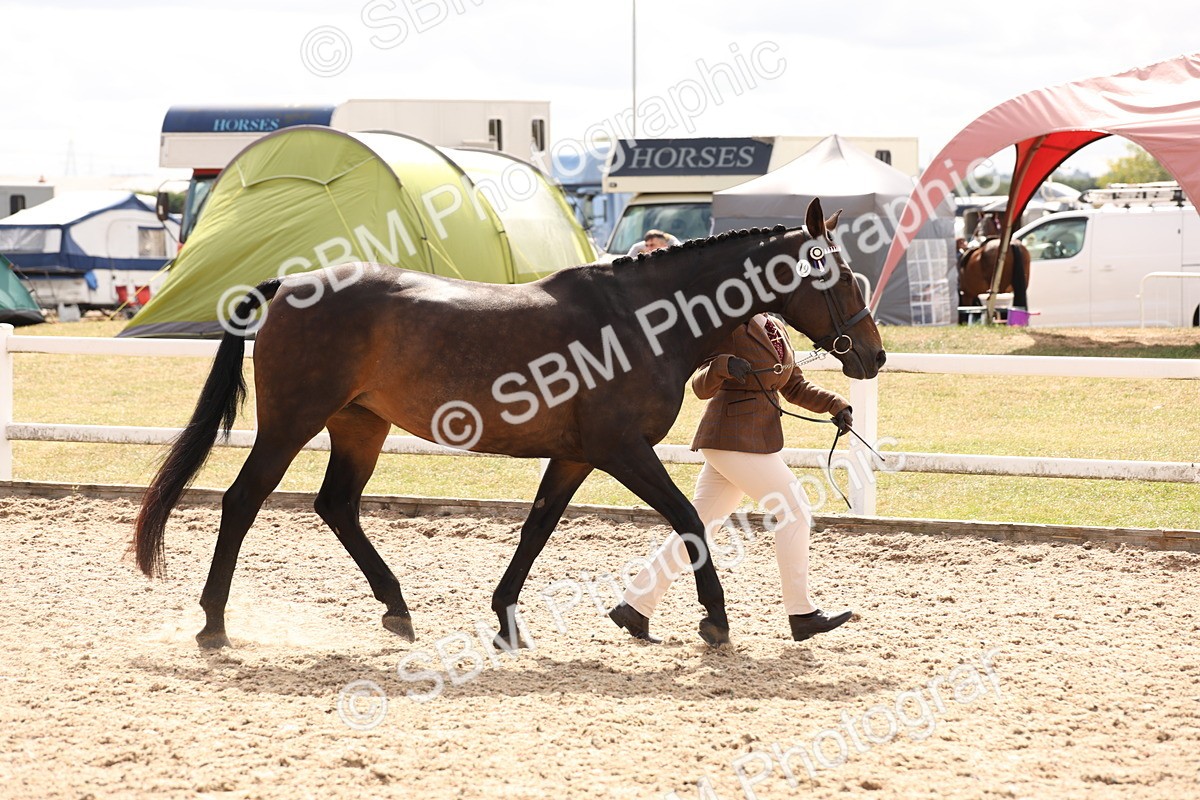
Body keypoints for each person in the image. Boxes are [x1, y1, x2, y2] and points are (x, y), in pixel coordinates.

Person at [609, 312, 854, 643]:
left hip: (748, 440)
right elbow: (698, 384)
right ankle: (802, 614)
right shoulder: (725, 323)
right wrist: (723, 365)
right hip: (733, 439)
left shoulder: (774, 325)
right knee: (794, 509)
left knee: (697, 527)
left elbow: (793, 384)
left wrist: (834, 405)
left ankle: (635, 605)